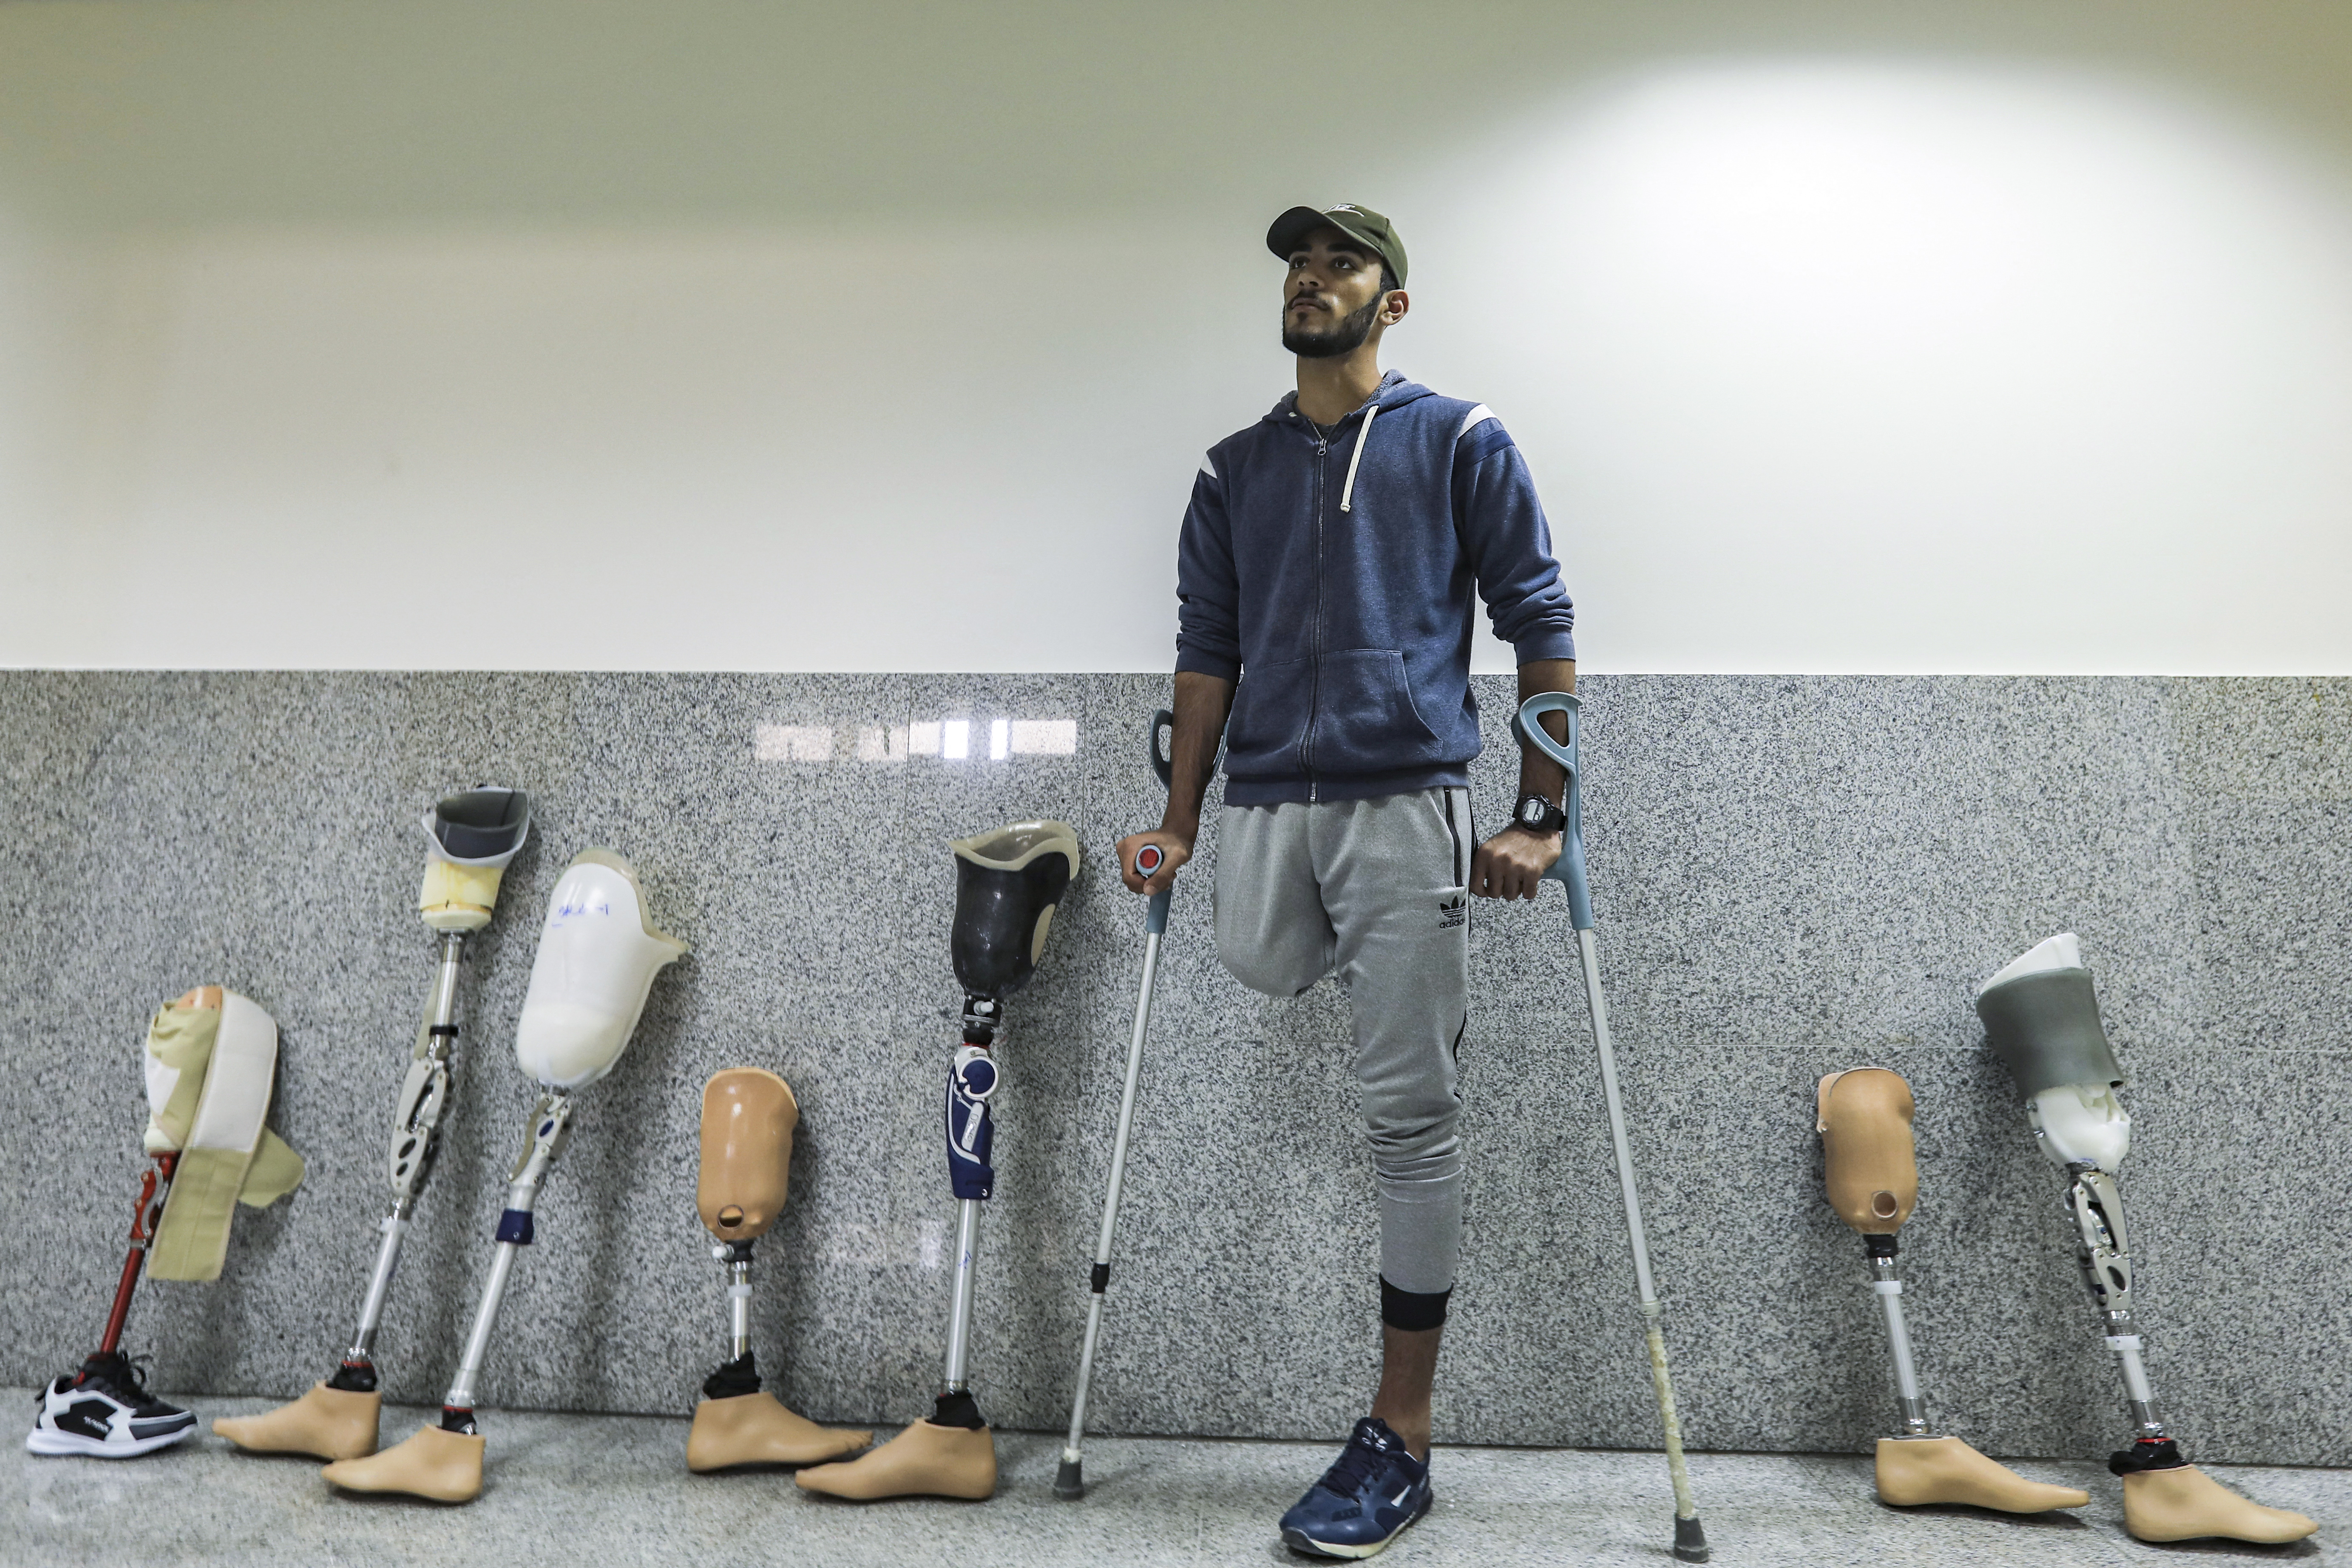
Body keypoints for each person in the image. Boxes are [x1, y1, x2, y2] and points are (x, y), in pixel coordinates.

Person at [1116, 201, 1577, 1559]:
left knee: (1408, 1115)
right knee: (1259, 960)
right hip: (1265, 800)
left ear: (1395, 302)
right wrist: (1180, 819)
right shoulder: (1231, 470)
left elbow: (1539, 617)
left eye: (1342, 263)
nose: (1312, 278)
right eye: (1298, 264)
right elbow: (1209, 652)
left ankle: (1401, 1432)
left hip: (1401, 800)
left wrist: (1539, 815)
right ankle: (1386, 982)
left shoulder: (1458, 440)